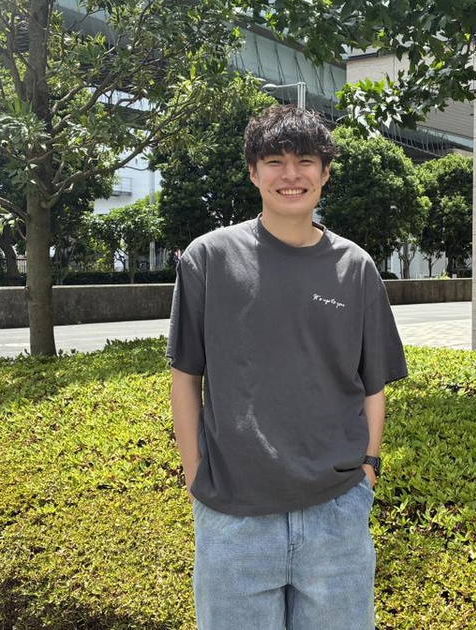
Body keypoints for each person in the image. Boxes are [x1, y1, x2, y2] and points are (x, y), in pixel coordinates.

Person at [166, 104, 409, 630]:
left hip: (335, 512)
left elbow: (373, 382)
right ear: (253, 172)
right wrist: (194, 474)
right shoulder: (209, 259)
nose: (290, 174)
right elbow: (185, 376)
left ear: (325, 172)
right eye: (274, 161)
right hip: (233, 517)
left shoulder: (356, 268)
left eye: (305, 161)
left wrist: (368, 467)